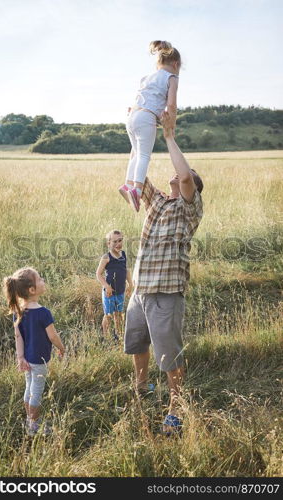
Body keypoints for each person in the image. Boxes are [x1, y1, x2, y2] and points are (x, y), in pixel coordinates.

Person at [124, 111, 204, 435]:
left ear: (195, 188)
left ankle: (175, 407)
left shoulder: (189, 207)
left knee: (169, 355)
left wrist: (169, 135)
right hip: (140, 293)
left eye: (188, 174)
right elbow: (137, 178)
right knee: (137, 344)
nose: (179, 174)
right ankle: (142, 389)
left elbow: (185, 177)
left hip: (166, 295)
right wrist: (137, 132)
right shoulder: (158, 203)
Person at [119, 40, 181, 213]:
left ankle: (127, 185)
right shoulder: (172, 78)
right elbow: (172, 105)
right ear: (175, 64)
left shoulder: (147, 77)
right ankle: (137, 190)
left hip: (132, 115)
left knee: (135, 154)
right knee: (144, 155)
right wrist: (171, 125)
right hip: (146, 117)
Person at [3, 266, 65, 437]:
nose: (43, 281)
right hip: (39, 361)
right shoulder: (44, 313)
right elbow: (53, 336)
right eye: (40, 279)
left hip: (27, 359)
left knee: (29, 387)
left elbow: (18, 337)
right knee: (36, 390)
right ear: (32, 290)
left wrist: (20, 357)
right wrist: (62, 348)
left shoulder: (19, 312)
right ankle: (33, 425)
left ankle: (29, 420)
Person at [96, 230, 133, 343]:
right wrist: (106, 286)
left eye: (120, 240)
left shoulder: (123, 255)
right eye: (114, 241)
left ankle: (118, 335)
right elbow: (98, 274)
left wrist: (130, 283)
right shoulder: (106, 257)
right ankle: (105, 337)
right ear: (108, 243)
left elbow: (126, 270)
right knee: (108, 315)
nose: (118, 244)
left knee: (118, 314)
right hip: (109, 292)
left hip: (120, 291)